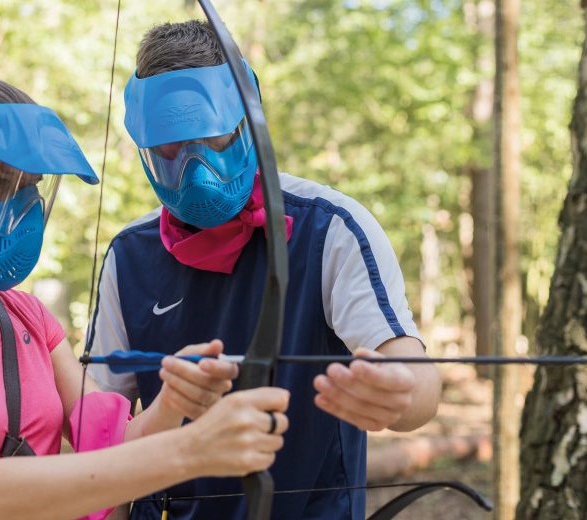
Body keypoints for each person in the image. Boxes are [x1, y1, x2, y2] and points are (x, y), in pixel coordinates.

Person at [0, 73, 290, 520]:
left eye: (31, 188)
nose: (21, 206)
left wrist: (173, 403)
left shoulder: (25, 315)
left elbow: (109, 443)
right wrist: (188, 452)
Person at [86, 20, 442, 519]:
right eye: (170, 149)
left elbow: (412, 375)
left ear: (250, 125)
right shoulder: (129, 255)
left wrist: (400, 391)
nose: (195, 168)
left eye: (212, 139)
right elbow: (100, 431)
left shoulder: (330, 228)